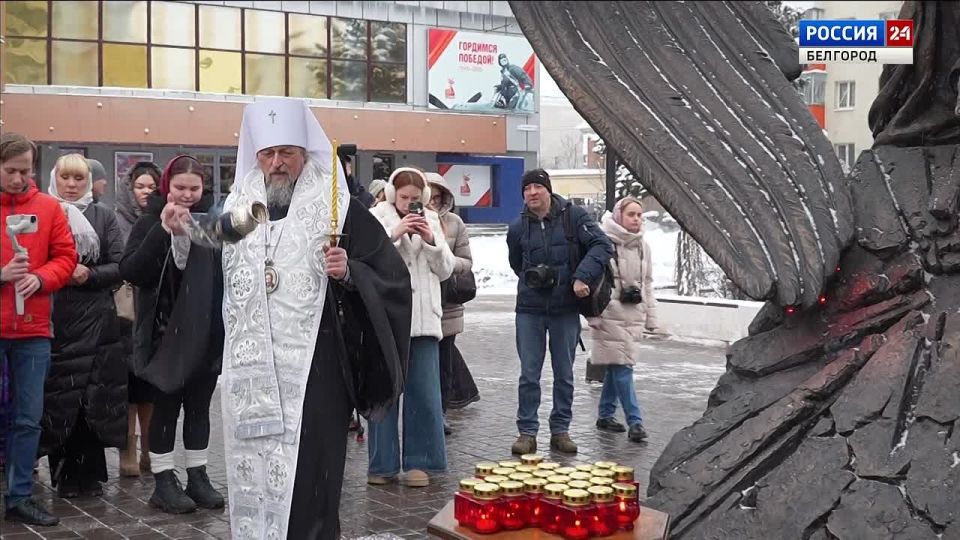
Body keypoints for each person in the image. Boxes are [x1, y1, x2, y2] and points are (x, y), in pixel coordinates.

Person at [161, 98, 411, 538]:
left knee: (311, 478)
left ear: (304, 153)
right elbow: (206, 264)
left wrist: (350, 270)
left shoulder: (337, 204)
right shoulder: (239, 206)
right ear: (255, 155)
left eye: (287, 154)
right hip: (251, 373)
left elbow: (390, 275)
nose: (277, 164)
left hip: (318, 369)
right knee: (253, 478)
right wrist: (181, 233)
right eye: (267, 154)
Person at [120, 155, 225, 514]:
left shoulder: (214, 220)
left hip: (206, 327)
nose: (187, 195)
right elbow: (131, 269)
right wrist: (163, 231)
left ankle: (198, 475)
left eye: (194, 188)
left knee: (199, 406)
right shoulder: (151, 218)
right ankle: (163, 481)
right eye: (180, 188)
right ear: (167, 186)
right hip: (163, 330)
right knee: (165, 406)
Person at [506, 168, 613, 455]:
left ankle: (560, 430)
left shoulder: (573, 216)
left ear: (548, 190)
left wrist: (581, 277)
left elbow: (603, 245)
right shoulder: (517, 226)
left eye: (537, 187)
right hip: (529, 309)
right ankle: (527, 432)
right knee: (529, 374)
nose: (532, 193)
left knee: (564, 373)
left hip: (565, 308)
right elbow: (517, 264)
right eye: (526, 189)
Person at [0, 132, 77, 526]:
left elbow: (66, 256)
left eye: (24, 171)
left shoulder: (47, 208)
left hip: (32, 332)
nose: (18, 179)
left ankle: (19, 496)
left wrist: (42, 278)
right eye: (10, 171)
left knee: (28, 418)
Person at [39, 154, 127, 498]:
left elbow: (120, 264)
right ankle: (61, 470)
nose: (72, 186)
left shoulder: (103, 216)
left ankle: (90, 473)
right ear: (55, 179)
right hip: (56, 315)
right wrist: (60, 272)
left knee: (94, 396)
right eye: (66, 179)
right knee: (60, 396)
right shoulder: (44, 211)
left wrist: (90, 274)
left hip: (96, 317)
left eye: (79, 179)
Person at [368, 167, 454, 487]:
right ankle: (382, 464)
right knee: (384, 392)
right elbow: (368, 260)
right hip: (387, 320)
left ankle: (421, 462)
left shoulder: (431, 219)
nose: (409, 204)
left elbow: (445, 270)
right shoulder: (376, 216)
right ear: (392, 194)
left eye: (415, 199)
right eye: (403, 197)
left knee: (425, 394)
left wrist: (431, 240)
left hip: (423, 321)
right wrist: (395, 233)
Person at [587, 197, 659, 442]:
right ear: (619, 216)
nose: (636, 219)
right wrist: (591, 313)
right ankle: (635, 422)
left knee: (616, 364)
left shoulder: (643, 246)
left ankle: (605, 415)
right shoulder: (603, 243)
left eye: (639, 215)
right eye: (631, 214)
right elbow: (594, 281)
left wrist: (652, 317)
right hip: (609, 315)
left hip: (633, 314)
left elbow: (647, 284)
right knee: (622, 367)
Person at [114, 161, 161, 476]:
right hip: (121, 311)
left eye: (151, 187)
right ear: (130, 188)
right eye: (140, 186)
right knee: (125, 384)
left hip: (154, 308)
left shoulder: (162, 217)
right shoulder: (115, 218)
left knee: (149, 383)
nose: (145, 192)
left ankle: (150, 449)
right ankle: (127, 449)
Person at [426, 172, 480, 435]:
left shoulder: (455, 223)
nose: (433, 202)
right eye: (429, 196)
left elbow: (467, 261)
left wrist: (445, 262)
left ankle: (442, 412)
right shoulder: (410, 220)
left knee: (444, 365)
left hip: (447, 306)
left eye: (438, 197)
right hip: (420, 305)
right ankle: (423, 412)